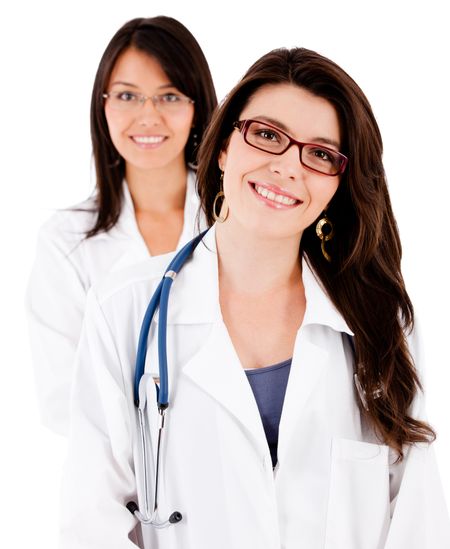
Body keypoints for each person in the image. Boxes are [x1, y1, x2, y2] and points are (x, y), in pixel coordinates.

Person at [59, 47, 450, 548]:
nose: (288, 167)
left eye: (321, 153)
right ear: (223, 146)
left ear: (340, 184)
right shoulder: (124, 310)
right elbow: (92, 522)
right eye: (266, 135)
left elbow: (416, 518)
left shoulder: (378, 322)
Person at [25, 16, 217, 436]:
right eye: (128, 95)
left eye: (169, 96)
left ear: (196, 107)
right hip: (120, 487)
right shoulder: (66, 242)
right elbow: (66, 404)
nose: (148, 116)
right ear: (103, 105)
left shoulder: (233, 219)